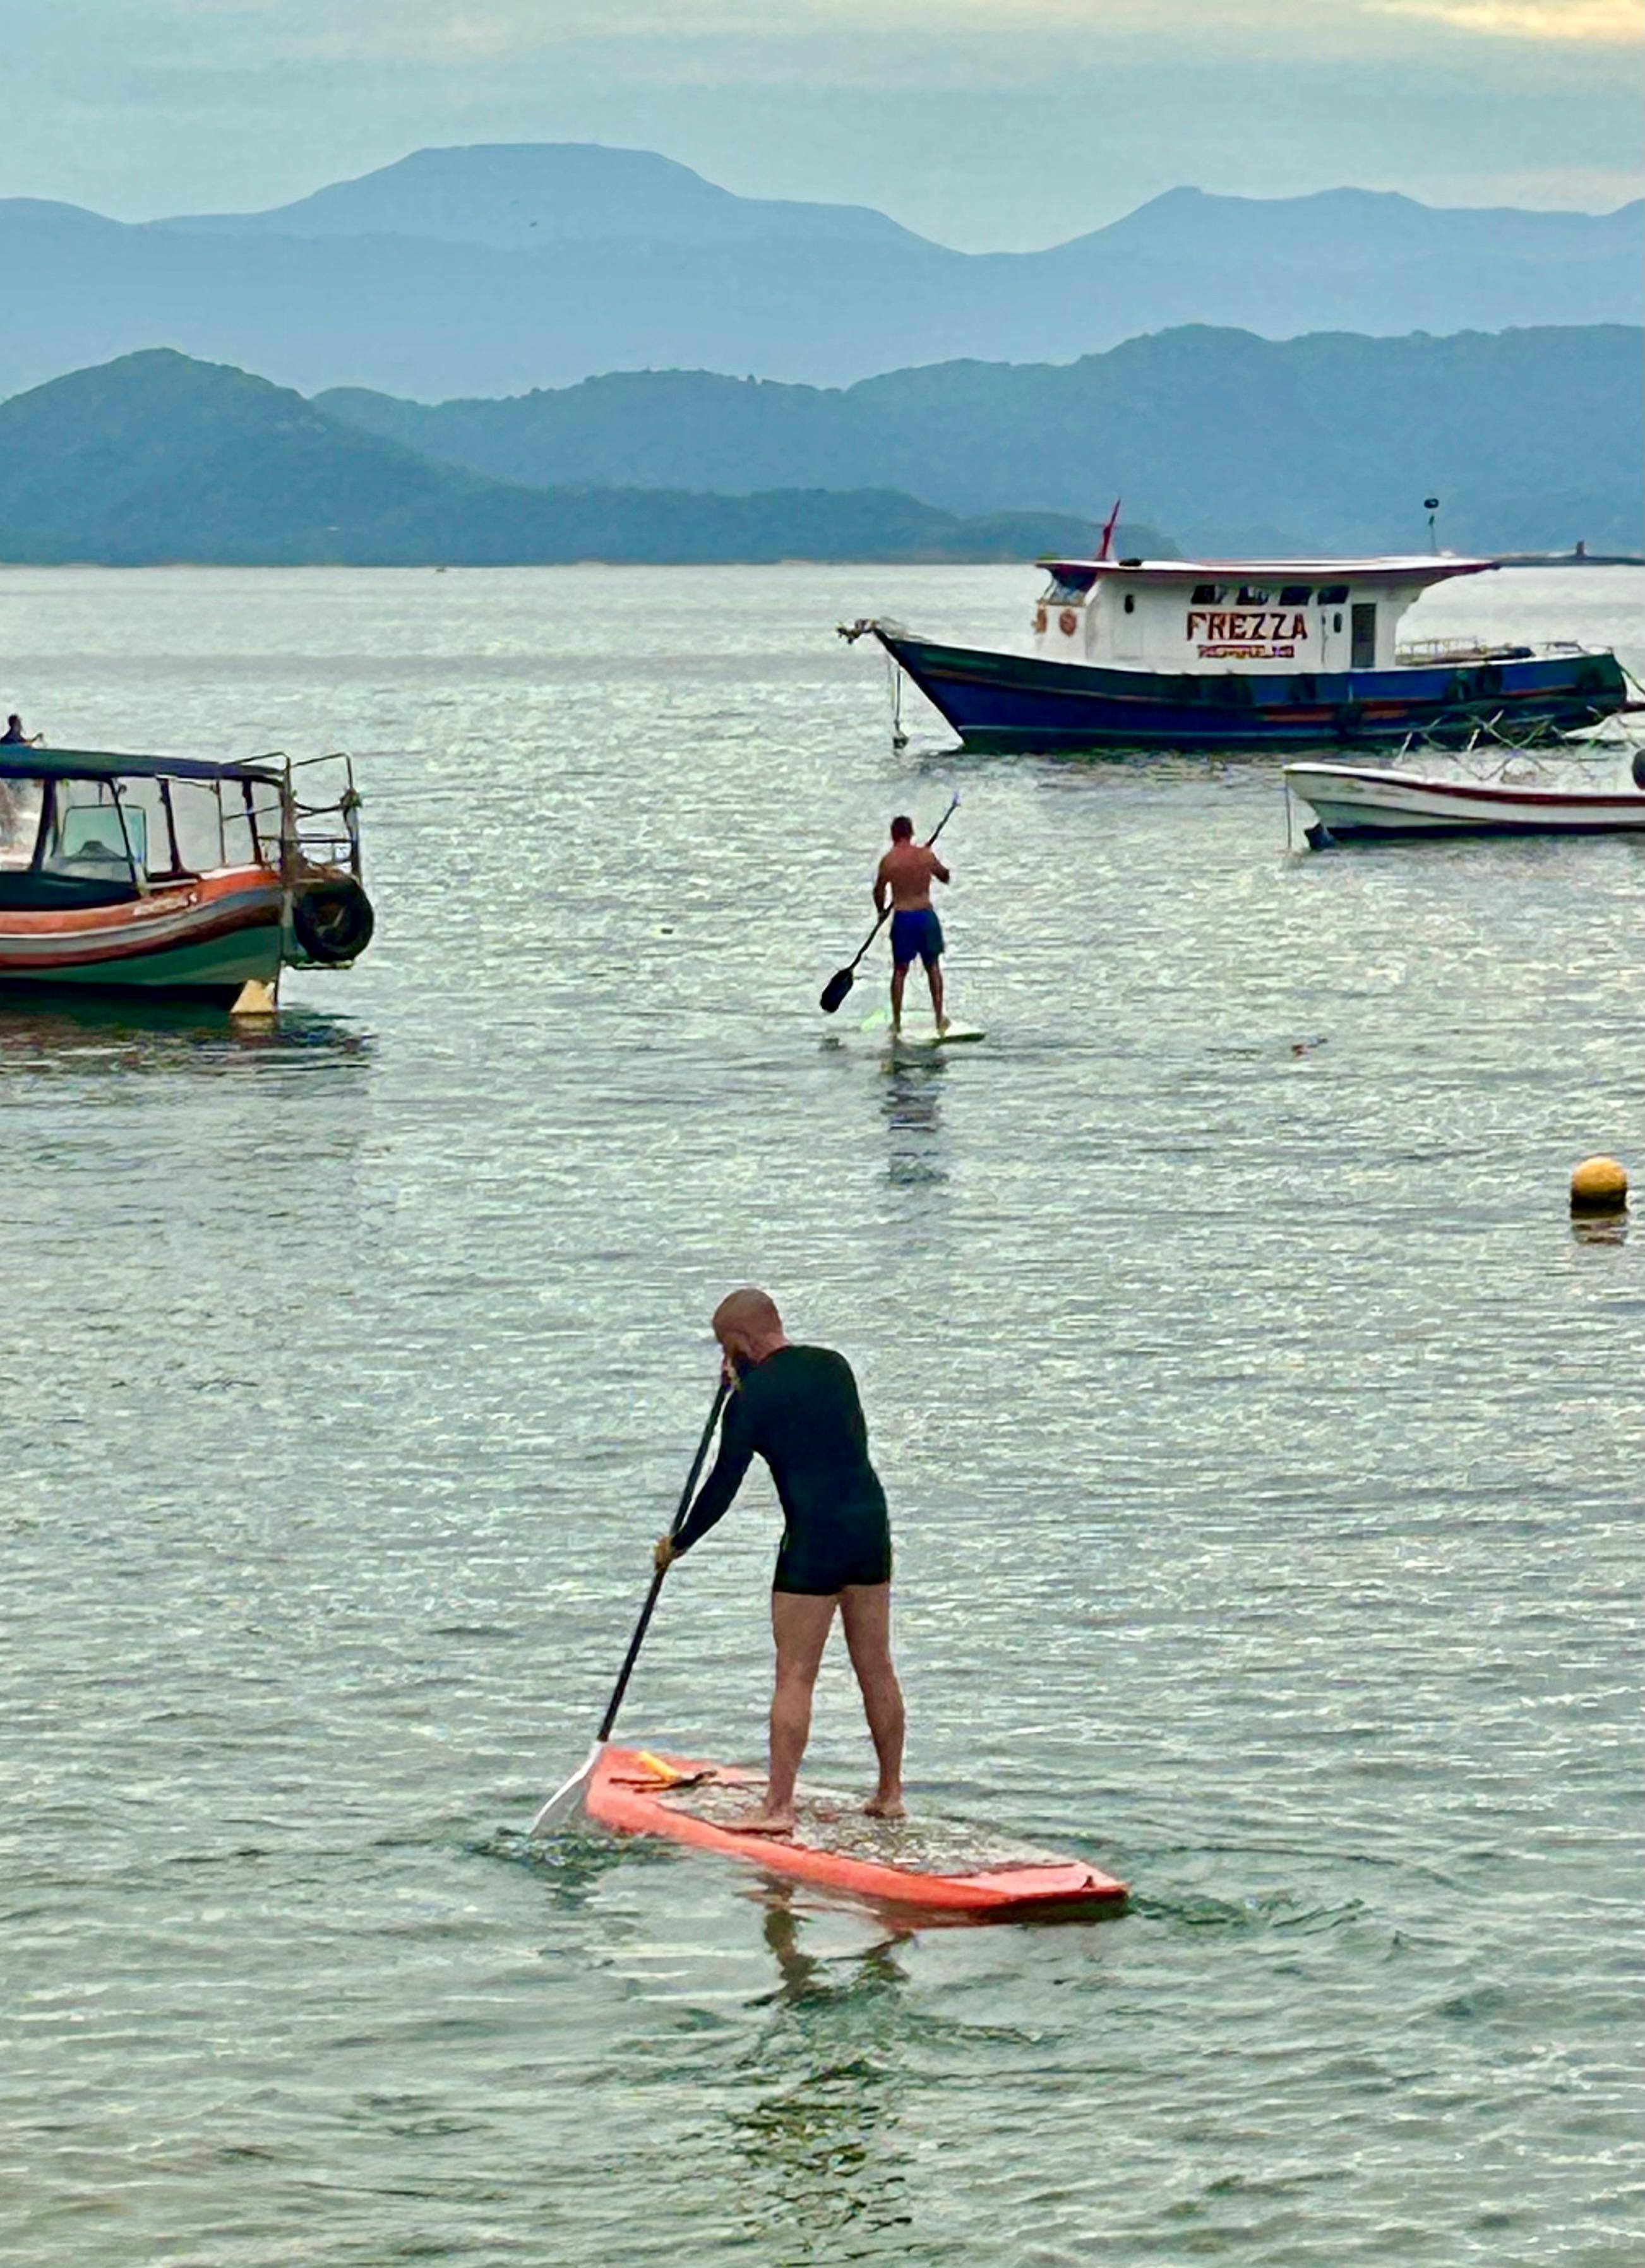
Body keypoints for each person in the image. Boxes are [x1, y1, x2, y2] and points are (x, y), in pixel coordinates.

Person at [655, 1288, 905, 1834]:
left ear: (741, 1341)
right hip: (869, 1529)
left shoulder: (749, 1400)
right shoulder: (836, 1367)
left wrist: (679, 1541)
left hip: (812, 1539)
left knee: (794, 1674)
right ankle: (889, 1794)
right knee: (876, 1665)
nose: (725, 1358)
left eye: (726, 1347)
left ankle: (777, 1809)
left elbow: (722, 1486)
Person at [873, 815, 950, 1034]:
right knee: (933, 968)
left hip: (903, 917)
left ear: (893, 835)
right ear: (911, 833)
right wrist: (931, 862)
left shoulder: (888, 861)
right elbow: (944, 876)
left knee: (899, 971)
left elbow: (879, 891)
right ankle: (939, 1019)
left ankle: (897, 1022)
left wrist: (881, 911)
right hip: (925, 916)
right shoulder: (925, 855)